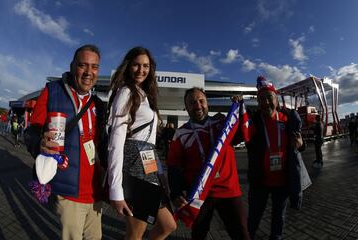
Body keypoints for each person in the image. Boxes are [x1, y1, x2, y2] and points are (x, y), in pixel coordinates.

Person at [24, 44, 104, 240]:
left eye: (94, 67)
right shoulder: (52, 91)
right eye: (82, 65)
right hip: (68, 193)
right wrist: (38, 144)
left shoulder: (99, 105)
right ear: (72, 66)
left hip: (95, 194)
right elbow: (32, 131)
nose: (88, 73)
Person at [106, 46, 176, 239]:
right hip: (133, 166)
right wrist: (115, 189)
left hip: (149, 165)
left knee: (168, 225)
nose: (141, 70)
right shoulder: (126, 92)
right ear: (128, 66)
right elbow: (116, 142)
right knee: (136, 233)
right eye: (136, 65)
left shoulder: (144, 95)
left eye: (145, 66)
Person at [167, 87, 250, 240]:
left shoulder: (223, 123)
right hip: (199, 193)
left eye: (201, 101)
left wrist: (239, 108)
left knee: (241, 234)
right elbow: (174, 166)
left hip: (228, 190)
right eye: (192, 103)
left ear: (207, 103)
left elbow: (241, 136)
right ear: (186, 107)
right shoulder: (180, 133)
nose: (197, 105)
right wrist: (176, 193)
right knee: (199, 235)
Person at [241, 76, 304, 240]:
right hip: (259, 181)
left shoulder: (287, 119)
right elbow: (239, 134)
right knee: (253, 219)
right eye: (261, 99)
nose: (266, 102)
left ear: (276, 99)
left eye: (269, 98)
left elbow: (299, 144)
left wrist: (300, 144)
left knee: (279, 219)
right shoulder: (253, 121)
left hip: (282, 182)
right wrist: (238, 106)